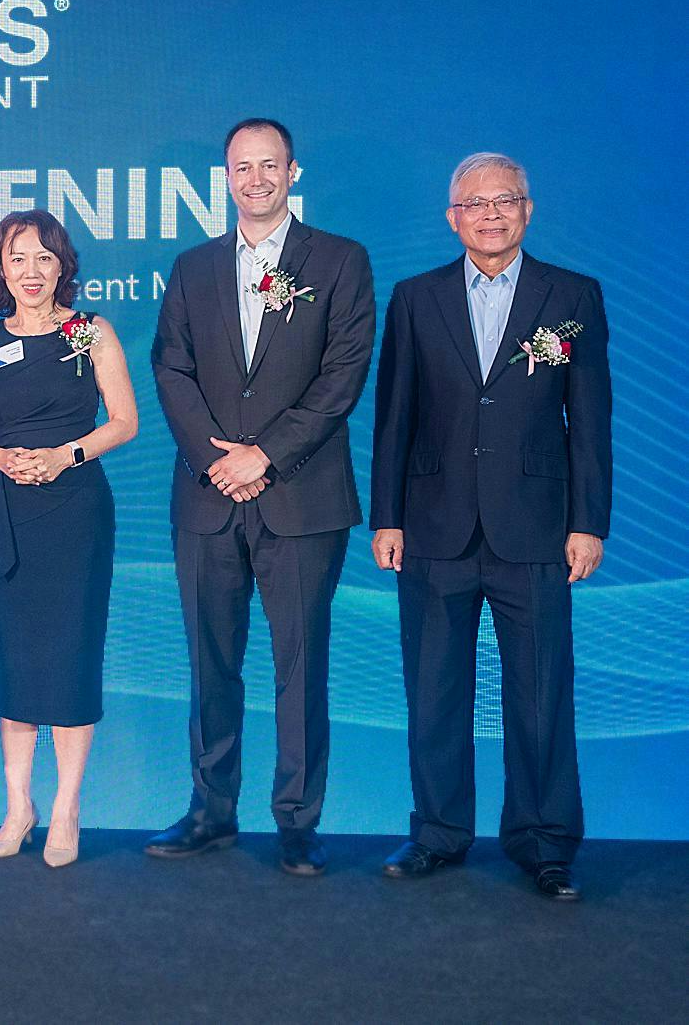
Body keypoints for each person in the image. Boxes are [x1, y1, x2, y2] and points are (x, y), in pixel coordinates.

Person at [370, 153, 611, 901]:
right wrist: (386, 518)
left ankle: (543, 843)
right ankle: (438, 834)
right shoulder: (414, 298)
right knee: (433, 693)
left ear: (527, 210)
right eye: (473, 205)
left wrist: (587, 521)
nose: (489, 214)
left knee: (539, 694)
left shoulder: (570, 296)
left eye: (503, 201)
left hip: (536, 530)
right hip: (433, 527)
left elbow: (589, 421)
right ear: (452, 219)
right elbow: (393, 418)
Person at [146, 118, 374, 876]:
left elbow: (340, 377)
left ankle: (297, 823)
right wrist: (220, 464)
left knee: (299, 668)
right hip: (207, 500)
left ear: (291, 171)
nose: (255, 178)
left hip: (300, 500)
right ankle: (209, 813)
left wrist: (264, 457)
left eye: (268, 165)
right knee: (210, 666)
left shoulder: (338, 261)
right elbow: (170, 367)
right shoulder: (191, 267)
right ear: (226, 177)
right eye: (241, 167)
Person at [0, 210, 137, 867]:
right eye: (15, 259)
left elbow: (124, 421)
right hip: (6, 512)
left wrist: (65, 455)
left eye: (41, 258)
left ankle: (65, 810)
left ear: (62, 265)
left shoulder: (90, 332)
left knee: (70, 659)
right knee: (16, 663)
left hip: (75, 512)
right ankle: (17, 807)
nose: (29, 272)